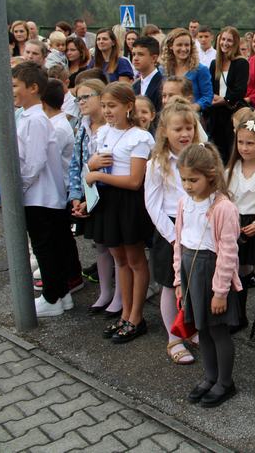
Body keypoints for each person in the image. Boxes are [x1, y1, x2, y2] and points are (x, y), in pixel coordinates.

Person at [85, 82, 155, 342]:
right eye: (104, 105)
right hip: (108, 201)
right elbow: (95, 164)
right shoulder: (104, 132)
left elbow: (135, 181)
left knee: (135, 260)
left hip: (128, 203)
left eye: (112, 106)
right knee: (120, 259)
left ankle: (136, 317)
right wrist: (92, 165)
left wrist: (96, 175)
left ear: (128, 106)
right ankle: (125, 313)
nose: (106, 111)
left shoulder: (140, 137)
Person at [173, 143, 242, 408]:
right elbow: (179, 243)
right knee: (201, 327)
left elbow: (228, 252)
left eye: (193, 180)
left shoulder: (223, 208)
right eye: (184, 180)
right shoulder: (184, 203)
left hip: (212, 273)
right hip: (191, 270)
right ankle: (210, 377)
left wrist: (220, 292)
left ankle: (225, 382)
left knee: (218, 330)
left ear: (210, 175)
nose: (188, 185)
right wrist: (179, 280)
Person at [12, 61, 81, 317]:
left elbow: (35, 161)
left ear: (33, 88)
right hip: (40, 195)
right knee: (49, 246)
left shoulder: (36, 119)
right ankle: (61, 295)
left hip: (39, 196)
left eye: (16, 86)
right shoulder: (31, 117)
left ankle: (52, 298)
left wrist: (19, 187)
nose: (12, 90)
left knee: (45, 248)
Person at [144, 99, 202, 365]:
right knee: (170, 285)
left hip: (199, 228)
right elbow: (152, 204)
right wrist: (173, 236)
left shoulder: (201, 155)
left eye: (189, 128)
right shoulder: (157, 163)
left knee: (195, 284)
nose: (185, 134)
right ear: (165, 131)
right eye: (178, 129)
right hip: (170, 229)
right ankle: (173, 338)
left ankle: (191, 328)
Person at [68, 79, 120, 317]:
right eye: (78, 98)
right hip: (90, 192)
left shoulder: (111, 128)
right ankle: (105, 292)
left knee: (116, 248)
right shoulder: (83, 126)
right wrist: (76, 195)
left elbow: (108, 165)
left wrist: (92, 168)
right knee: (100, 246)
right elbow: (76, 163)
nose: (81, 102)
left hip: (108, 193)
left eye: (86, 97)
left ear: (101, 97)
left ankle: (120, 295)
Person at [225, 115, 255, 335]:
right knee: (241, 269)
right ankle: (240, 316)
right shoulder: (232, 168)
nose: (244, 147)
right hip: (237, 223)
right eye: (241, 142)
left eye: (250, 143)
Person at [207, 26, 250, 159]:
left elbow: (240, 90)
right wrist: (213, 98)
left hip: (233, 113)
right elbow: (210, 87)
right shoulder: (214, 63)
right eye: (223, 39)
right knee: (218, 152)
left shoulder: (241, 63)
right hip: (216, 114)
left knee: (233, 151)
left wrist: (225, 99)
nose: (225, 43)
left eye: (229, 40)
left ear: (235, 43)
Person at [162, 27, 213, 111]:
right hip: (169, 114)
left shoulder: (200, 70)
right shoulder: (164, 69)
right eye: (179, 45)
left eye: (187, 45)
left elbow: (208, 96)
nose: (183, 49)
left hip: (191, 115)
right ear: (171, 46)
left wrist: (195, 107)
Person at [42, 79, 74, 190]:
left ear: (43, 103)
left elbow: (44, 161)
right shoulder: (51, 123)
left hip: (56, 188)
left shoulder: (58, 128)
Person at [131, 36, 164, 113]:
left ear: (154, 58)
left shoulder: (163, 84)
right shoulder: (135, 86)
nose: (135, 58)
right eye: (133, 54)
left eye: (140, 54)